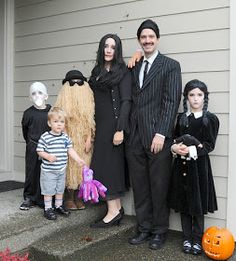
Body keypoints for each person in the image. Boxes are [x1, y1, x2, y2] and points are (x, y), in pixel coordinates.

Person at [126, 19, 182, 250]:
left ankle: (159, 231)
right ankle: (144, 228)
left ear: (157, 39)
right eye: (143, 37)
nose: (147, 40)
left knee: (159, 186)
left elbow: (171, 101)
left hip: (158, 137)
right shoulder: (134, 65)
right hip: (135, 137)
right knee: (140, 186)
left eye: (151, 37)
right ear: (139, 40)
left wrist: (161, 133)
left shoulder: (170, 65)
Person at [169, 79, 219, 255]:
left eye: (199, 95)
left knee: (197, 205)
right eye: (191, 95)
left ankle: (197, 239)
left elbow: (209, 145)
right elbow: (174, 138)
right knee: (184, 203)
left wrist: (191, 148)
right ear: (186, 97)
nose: (195, 99)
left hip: (199, 169)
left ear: (204, 97)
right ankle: (186, 238)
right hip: (181, 167)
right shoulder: (182, 118)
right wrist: (175, 148)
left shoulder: (210, 119)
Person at [89, 33, 132, 228]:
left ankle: (113, 211)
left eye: (113, 47)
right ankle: (116, 209)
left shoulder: (122, 71)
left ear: (117, 50)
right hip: (100, 126)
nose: (108, 50)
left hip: (114, 127)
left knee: (111, 168)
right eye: (106, 46)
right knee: (102, 167)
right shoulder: (96, 71)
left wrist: (120, 129)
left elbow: (125, 101)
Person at [54, 70, 95, 210]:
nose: (77, 86)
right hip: (69, 141)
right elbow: (60, 121)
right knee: (69, 169)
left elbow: (90, 122)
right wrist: (66, 139)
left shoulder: (88, 103)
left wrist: (89, 139)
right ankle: (69, 197)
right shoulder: (63, 104)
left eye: (79, 82)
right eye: (73, 83)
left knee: (82, 167)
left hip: (84, 141)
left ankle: (78, 196)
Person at [36, 107, 85, 220]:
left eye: (62, 122)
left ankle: (58, 206)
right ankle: (48, 208)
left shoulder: (65, 137)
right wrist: (47, 156)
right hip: (49, 171)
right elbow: (39, 150)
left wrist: (78, 159)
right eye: (56, 122)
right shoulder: (45, 137)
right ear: (49, 123)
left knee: (59, 190)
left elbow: (70, 150)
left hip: (61, 170)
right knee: (48, 191)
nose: (59, 124)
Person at [20, 82, 51, 210]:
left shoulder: (51, 111)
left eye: (40, 92)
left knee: (46, 172)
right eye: (33, 93)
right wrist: (31, 143)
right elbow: (25, 131)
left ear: (46, 96)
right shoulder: (28, 113)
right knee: (32, 171)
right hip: (33, 145)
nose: (37, 95)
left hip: (48, 147)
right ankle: (29, 197)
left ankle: (43, 198)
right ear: (29, 97)